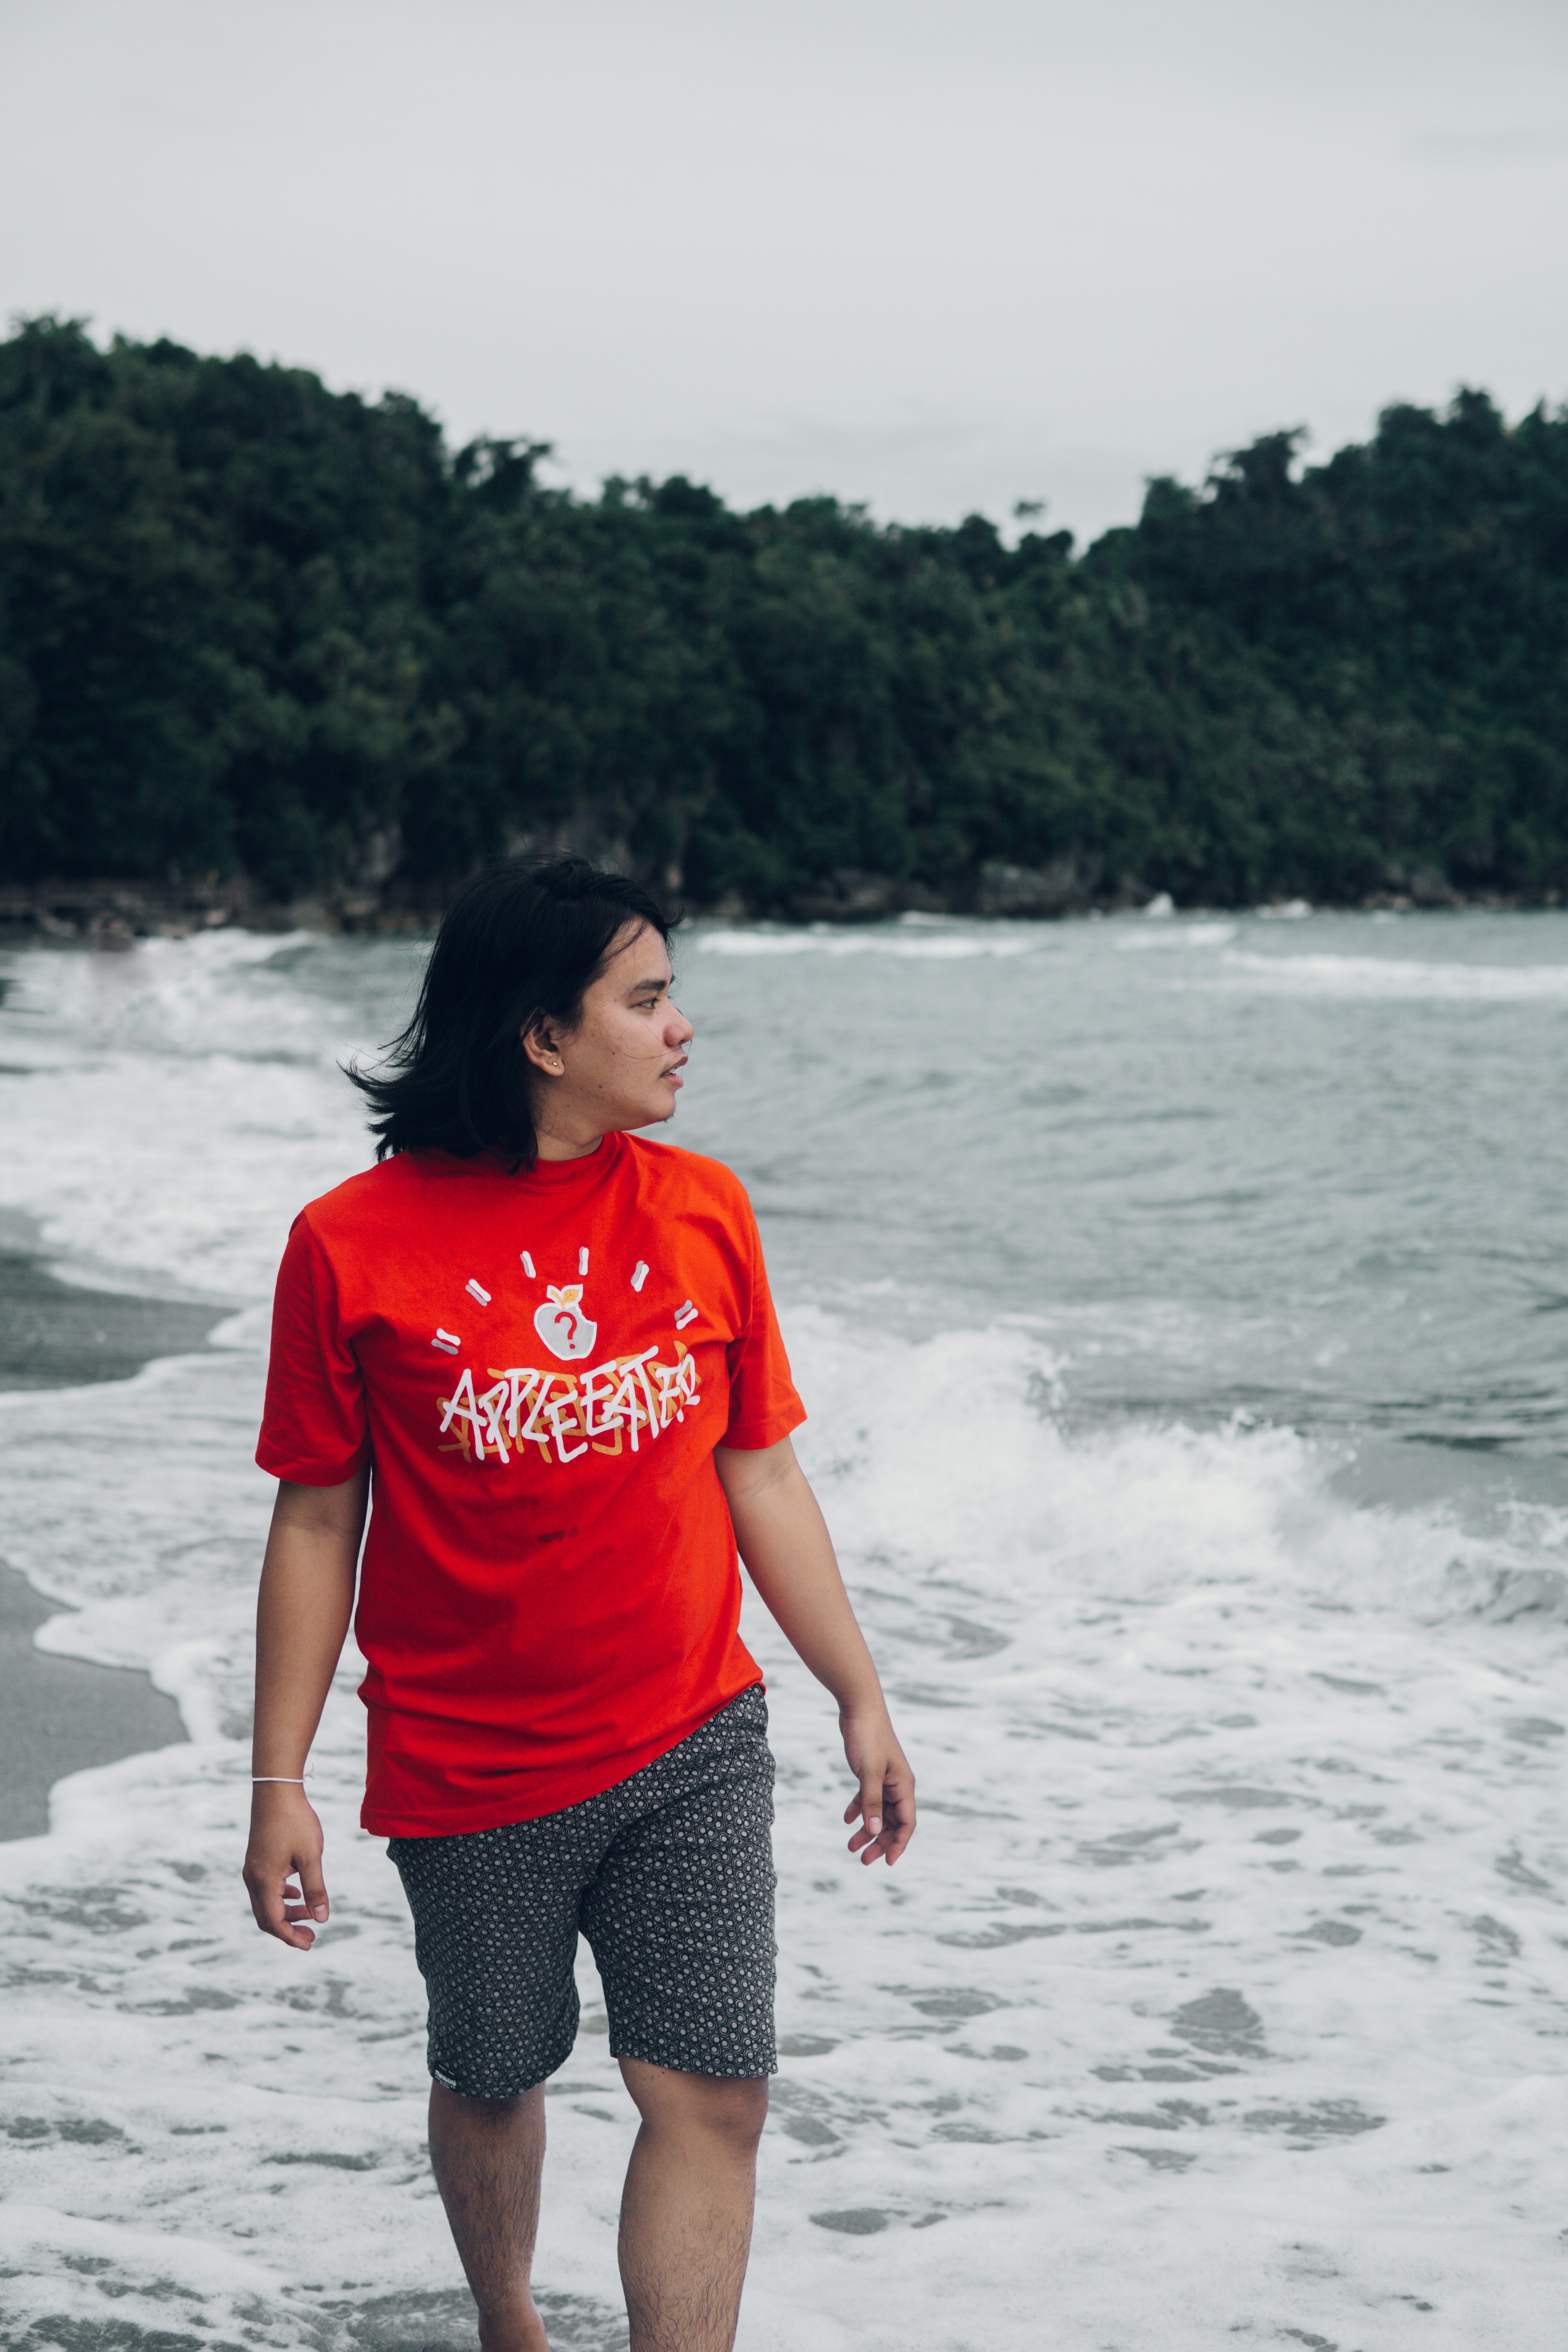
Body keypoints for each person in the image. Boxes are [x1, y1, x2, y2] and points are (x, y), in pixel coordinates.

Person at [242, 857, 916, 2352]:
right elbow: (315, 1519)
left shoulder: (706, 1210)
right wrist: (276, 1778)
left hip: (692, 1733)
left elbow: (764, 1475)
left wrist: (856, 1691)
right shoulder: (350, 1244)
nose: (684, 1028)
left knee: (717, 2095)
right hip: (470, 1767)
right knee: (494, 2071)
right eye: (650, 999)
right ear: (545, 1038)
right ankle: (509, 2326)